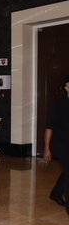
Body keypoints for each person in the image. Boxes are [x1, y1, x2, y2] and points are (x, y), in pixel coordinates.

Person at [44, 77, 69, 215]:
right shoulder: (58, 105)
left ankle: (56, 193)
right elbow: (49, 127)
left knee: (67, 170)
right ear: (66, 87)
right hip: (60, 144)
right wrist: (47, 148)